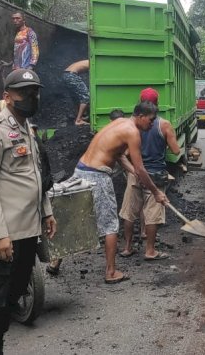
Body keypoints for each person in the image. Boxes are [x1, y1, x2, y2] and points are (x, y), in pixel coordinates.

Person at [0, 69, 57, 355]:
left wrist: (46, 212)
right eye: (24, 92)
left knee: (12, 298)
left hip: (27, 232)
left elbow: (35, 176)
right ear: (7, 96)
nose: (31, 97)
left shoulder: (27, 128)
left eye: (34, 91)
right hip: (4, 237)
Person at [74, 101, 168, 284]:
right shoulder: (133, 133)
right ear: (141, 117)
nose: (151, 124)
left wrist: (133, 172)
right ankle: (110, 273)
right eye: (150, 120)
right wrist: (156, 192)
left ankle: (55, 262)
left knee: (78, 217)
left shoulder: (120, 123)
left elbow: (118, 155)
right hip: (98, 176)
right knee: (110, 224)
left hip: (81, 169)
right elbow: (141, 169)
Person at [119, 88, 180, 260]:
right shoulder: (164, 125)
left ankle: (128, 247)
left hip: (135, 174)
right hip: (156, 174)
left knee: (129, 211)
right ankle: (150, 250)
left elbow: (123, 153)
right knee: (153, 213)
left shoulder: (132, 126)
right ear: (157, 104)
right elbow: (176, 151)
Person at [62, 59, 90, 126]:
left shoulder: (87, 61)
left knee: (77, 98)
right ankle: (78, 120)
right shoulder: (93, 62)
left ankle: (80, 117)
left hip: (65, 75)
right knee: (86, 97)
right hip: (71, 75)